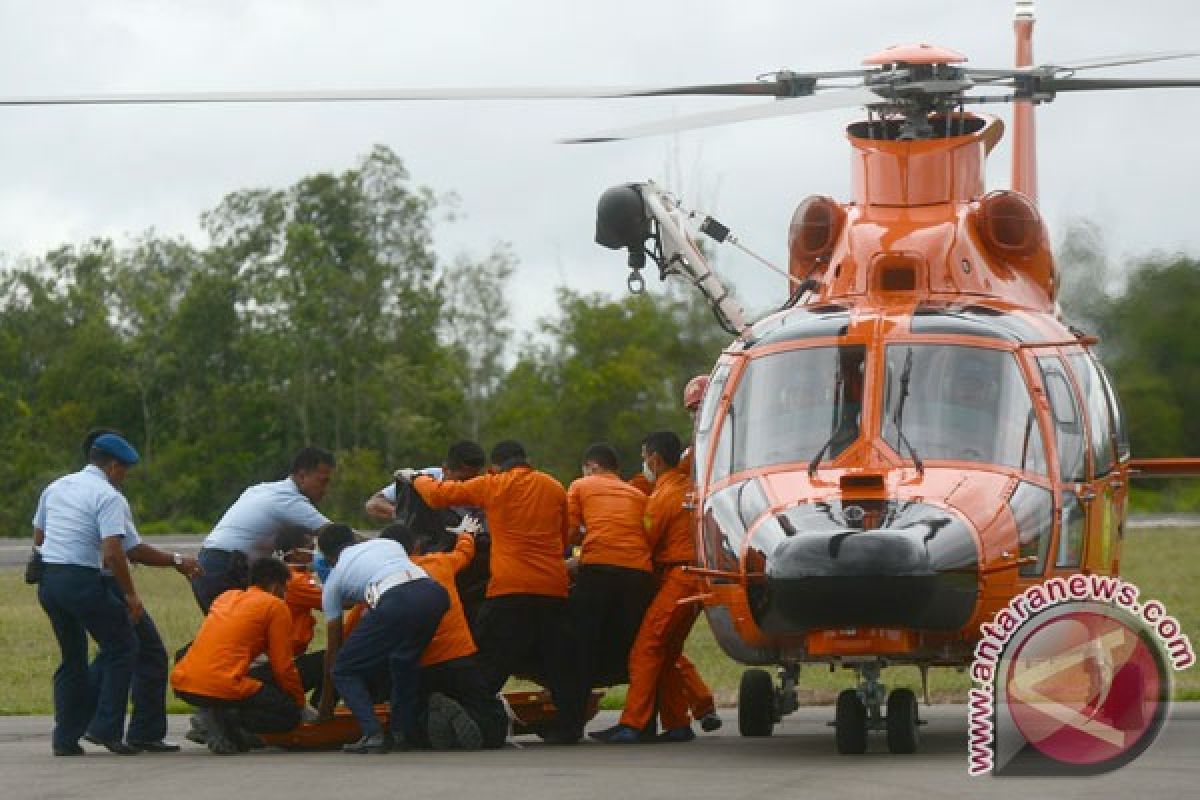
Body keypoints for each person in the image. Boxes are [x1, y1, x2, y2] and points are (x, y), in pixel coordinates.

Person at [404, 439, 585, 744]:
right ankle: (569, 727)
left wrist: (415, 477)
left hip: (509, 588)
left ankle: (477, 716)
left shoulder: (494, 484)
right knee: (560, 661)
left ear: (494, 467)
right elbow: (564, 534)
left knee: (489, 656)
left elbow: (438, 496)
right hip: (552, 587)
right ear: (527, 460)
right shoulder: (554, 487)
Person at [601, 431, 714, 744]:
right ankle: (677, 723)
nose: (644, 463)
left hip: (679, 577)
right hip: (696, 578)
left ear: (655, 458)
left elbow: (645, 540)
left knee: (646, 649)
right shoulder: (690, 487)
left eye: (644, 457)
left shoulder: (664, 495)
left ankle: (633, 724)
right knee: (667, 652)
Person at [33, 432, 143, 756]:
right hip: (80, 580)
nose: (125, 476)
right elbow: (112, 552)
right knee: (122, 644)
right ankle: (106, 728)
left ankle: (65, 738)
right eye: (124, 470)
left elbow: (40, 537)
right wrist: (131, 595)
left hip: (49, 582)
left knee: (73, 658)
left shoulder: (57, 486)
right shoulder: (107, 496)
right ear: (111, 466)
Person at [315, 524, 450, 754]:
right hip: (433, 594)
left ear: (328, 557)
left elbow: (334, 647)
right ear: (353, 540)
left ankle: (372, 733)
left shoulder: (333, 582)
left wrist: (326, 706)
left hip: (395, 600)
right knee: (403, 662)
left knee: (344, 669)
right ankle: (401, 733)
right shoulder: (388, 544)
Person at [381, 519, 508, 750]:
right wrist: (466, 534)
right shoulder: (440, 562)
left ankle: (429, 723)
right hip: (457, 654)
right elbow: (464, 554)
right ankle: (471, 722)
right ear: (416, 545)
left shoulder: (383, 578)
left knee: (412, 723)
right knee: (492, 721)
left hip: (418, 663)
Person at [171, 557, 307, 755]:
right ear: (276, 586)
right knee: (289, 714)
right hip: (223, 685)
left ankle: (223, 724)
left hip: (184, 683)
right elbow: (283, 667)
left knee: (247, 686)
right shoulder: (275, 606)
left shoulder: (225, 597)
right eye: (284, 589)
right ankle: (227, 720)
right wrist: (300, 703)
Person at [191, 447, 335, 612]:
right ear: (302, 476)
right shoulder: (289, 500)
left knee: (229, 631)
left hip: (209, 563)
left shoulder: (261, 489)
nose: (326, 489)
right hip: (226, 569)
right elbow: (337, 535)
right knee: (239, 632)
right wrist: (371, 547)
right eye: (323, 481)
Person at [367, 440, 492, 631]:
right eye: (461, 480)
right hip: (428, 561)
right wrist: (410, 515)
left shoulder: (484, 485)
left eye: (472, 480)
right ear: (445, 470)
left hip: (468, 566)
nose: (465, 487)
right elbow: (373, 505)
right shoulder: (424, 477)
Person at [566, 443, 654, 694]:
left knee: (584, 644)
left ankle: (571, 720)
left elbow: (569, 531)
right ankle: (642, 723)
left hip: (599, 569)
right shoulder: (638, 495)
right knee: (638, 647)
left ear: (592, 467)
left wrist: (582, 545)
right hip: (639, 572)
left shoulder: (580, 486)